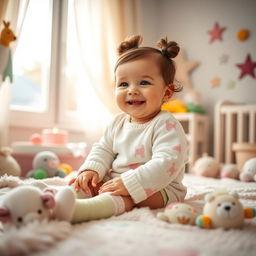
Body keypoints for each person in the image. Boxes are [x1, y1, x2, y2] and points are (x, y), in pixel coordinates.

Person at [63, 35, 188, 223]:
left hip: (160, 188)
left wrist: (131, 183)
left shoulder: (166, 124)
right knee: (85, 184)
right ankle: (58, 201)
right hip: (118, 179)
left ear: (167, 92)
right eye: (123, 84)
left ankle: (81, 211)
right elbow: (103, 149)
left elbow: (167, 162)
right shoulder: (117, 122)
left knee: (125, 196)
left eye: (144, 82)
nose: (131, 90)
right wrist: (92, 170)